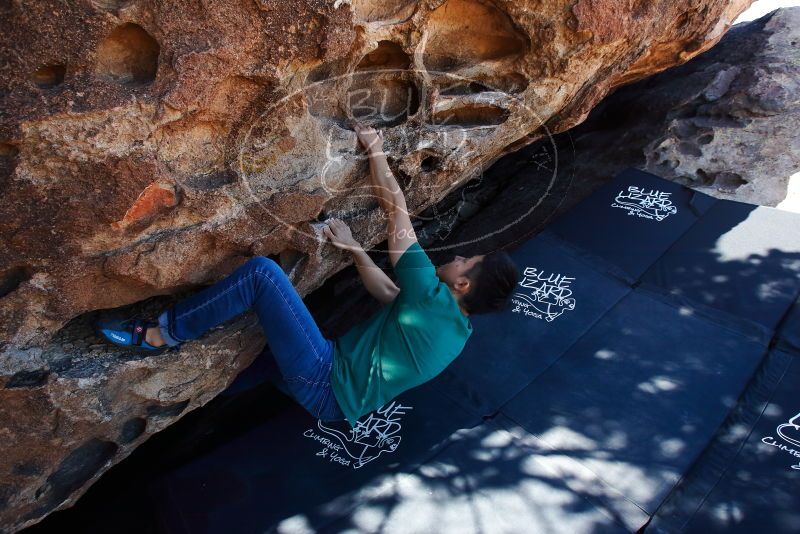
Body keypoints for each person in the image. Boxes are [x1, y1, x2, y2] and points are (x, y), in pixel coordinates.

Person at [96, 122, 519, 428]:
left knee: (263, 275)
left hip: (323, 377)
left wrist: (374, 149)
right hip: (334, 397)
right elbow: (390, 293)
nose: (460, 256)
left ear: (462, 285)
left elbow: (396, 210)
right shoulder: (455, 329)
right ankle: (204, 388)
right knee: (255, 358)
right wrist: (356, 252)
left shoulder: (430, 296)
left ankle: (158, 334)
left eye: (467, 261)